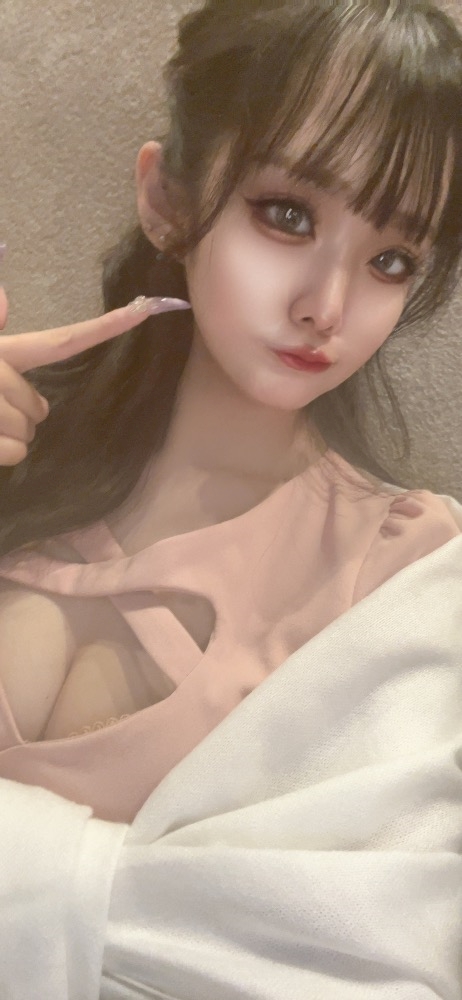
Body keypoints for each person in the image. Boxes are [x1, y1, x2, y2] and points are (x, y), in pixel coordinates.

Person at [0, 0, 461, 830]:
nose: (327, 307)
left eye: (391, 260)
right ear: (166, 200)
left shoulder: (400, 573)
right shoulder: (21, 435)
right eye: (288, 215)